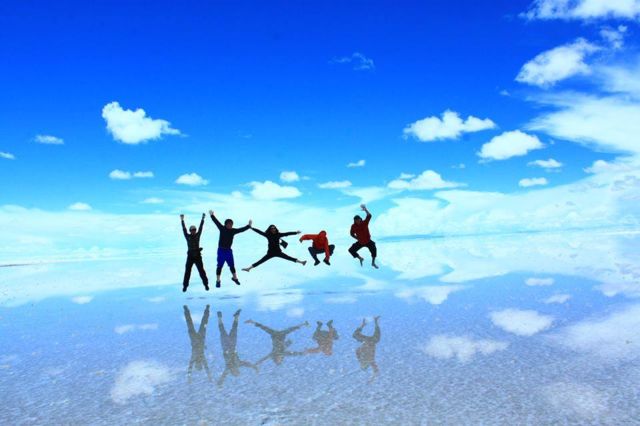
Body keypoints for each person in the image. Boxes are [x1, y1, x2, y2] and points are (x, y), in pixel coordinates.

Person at [208, 210, 252, 287]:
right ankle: (218, 281)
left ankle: (235, 278)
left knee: (232, 265)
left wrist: (248, 226)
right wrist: (212, 215)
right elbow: (216, 222)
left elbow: (241, 230)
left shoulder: (233, 231)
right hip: (221, 251)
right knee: (219, 266)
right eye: (229, 224)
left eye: (231, 224)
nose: (230, 225)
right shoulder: (222, 228)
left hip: (228, 251)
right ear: (225, 224)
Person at [216, 309, 258, 387]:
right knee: (233, 329)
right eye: (237, 371)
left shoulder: (228, 368)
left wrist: (220, 382)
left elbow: (223, 376)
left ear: (232, 372)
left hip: (226, 346)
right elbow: (247, 364)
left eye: (235, 371)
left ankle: (220, 317)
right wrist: (254, 367)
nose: (235, 370)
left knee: (223, 330)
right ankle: (236, 316)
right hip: (232, 345)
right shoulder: (238, 364)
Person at [242, 225, 307, 272]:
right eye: (272, 228)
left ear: (276, 229)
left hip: (278, 252)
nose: (273, 229)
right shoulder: (268, 235)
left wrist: (296, 232)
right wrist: (251, 228)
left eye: (274, 228)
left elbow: (287, 233)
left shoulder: (278, 234)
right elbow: (260, 232)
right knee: (261, 261)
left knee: (288, 257)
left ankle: (302, 262)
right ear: (270, 230)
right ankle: (248, 269)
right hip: (270, 253)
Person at [245, 319, 309, 366]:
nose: (279, 359)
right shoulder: (282, 354)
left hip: (275, 335)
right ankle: (303, 324)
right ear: (281, 359)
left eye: (278, 360)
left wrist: (256, 363)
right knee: (291, 330)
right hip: (281, 336)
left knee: (264, 328)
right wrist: (302, 353)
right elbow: (292, 353)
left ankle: (252, 321)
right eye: (279, 360)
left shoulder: (273, 354)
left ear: (275, 359)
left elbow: (264, 359)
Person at [184, 305, 212, 383]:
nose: (199, 364)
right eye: (199, 365)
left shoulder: (197, 358)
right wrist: (209, 377)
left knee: (201, 323)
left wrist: (189, 378)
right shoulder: (199, 359)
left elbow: (190, 368)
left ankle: (206, 309)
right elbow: (206, 368)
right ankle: (187, 310)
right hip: (198, 338)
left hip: (198, 338)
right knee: (194, 323)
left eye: (198, 365)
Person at [181, 213, 209, 292]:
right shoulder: (187, 236)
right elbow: (184, 229)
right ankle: (185, 286)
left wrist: (202, 219)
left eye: (194, 230)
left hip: (197, 256)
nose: (193, 231)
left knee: (201, 271)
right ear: (190, 231)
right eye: (192, 230)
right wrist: (182, 220)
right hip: (190, 256)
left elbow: (201, 228)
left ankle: (206, 284)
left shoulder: (197, 235)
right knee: (187, 272)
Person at [348, 204, 378, 269]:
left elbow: (369, 215)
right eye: (356, 221)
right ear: (354, 221)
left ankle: (373, 263)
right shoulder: (353, 226)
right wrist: (357, 238)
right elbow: (351, 234)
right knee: (351, 250)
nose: (357, 221)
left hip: (368, 241)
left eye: (358, 220)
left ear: (360, 219)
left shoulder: (364, 223)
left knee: (374, 249)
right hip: (360, 242)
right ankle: (360, 258)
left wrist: (365, 209)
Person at [353, 316, 381, 382]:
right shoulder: (367, 361)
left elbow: (357, 351)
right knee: (355, 335)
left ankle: (367, 323)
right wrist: (371, 380)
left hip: (369, 341)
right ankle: (375, 321)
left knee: (355, 335)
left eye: (362, 365)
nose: (363, 364)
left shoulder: (367, 361)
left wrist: (362, 347)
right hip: (369, 341)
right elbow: (357, 351)